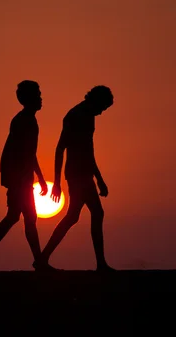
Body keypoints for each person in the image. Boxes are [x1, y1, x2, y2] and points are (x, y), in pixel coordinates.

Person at [0, 80, 56, 272]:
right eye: (38, 95)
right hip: (18, 177)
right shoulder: (23, 121)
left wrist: (40, 178)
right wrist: (29, 179)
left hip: (21, 177)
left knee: (20, 217)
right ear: (29, 99)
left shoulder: (28, 120)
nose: (41, 99)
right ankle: (38, 262)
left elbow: (30, 153)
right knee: (22, 217)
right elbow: (23, 153)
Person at [33, 85, 116, 272]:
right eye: (102, 108)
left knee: (73, 217)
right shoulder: (75, 116)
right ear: (96, 101)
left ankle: (42, 258)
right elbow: (60, 148)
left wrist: (99, 178)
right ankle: (101, 264)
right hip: (77, 174)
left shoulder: (89, 116)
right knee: (95, 213)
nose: (101, 113)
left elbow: (89, 151)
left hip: (84, 172)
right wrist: (56, 183)